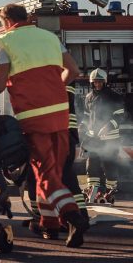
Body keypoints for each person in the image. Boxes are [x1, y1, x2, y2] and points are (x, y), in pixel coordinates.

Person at [0, 3, 89, 247]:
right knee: (51, 172)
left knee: (45, 175)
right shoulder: (50, 38)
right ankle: (49, 225)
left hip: (33, 117)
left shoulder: (5, 42)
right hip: (60, 115)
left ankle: (72, 216)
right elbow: (73, 70)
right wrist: (54, 90)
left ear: (6, 21)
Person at [26, 82, 89, 235]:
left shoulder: (48, 75)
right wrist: (74, 138)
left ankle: (56, 222)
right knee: (65, 177)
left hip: (48, 133)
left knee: (42, 178)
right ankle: (77, 217)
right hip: (65, 134)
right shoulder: (62, 73)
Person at [81, 68, 125, 202]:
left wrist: (109, 126)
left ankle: (110, 192)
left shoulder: (114, 96)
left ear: (104, 82)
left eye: (100, 82)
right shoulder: (88, 97)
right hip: (93, 139)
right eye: (95, 82)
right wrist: (82, 127)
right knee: (91, 165)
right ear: (91, 82)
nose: (97, 84)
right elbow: (86, 117)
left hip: (110, 139)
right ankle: (92, 191)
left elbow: (121, 116)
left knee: (109, 165)